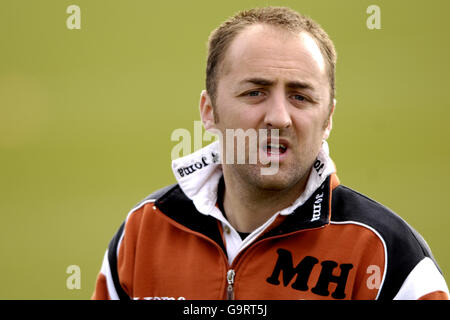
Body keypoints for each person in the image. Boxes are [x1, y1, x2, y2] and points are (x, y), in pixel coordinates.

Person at [92, 6, 449, 300]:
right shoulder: (145, 231)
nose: (278, 117)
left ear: (327, 120)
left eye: (300, 96)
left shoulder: (387, 257)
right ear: (209, 111)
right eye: (255, 92)